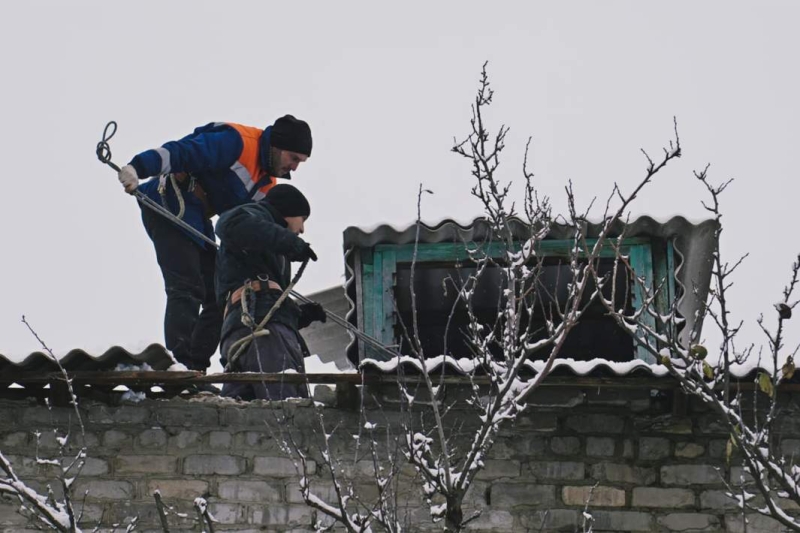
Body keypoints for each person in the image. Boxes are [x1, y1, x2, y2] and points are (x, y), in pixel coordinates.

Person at [116, 116, 313, 372]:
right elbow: (183, 152)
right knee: (187, 285)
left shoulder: (267, 187)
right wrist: (138, 167)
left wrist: (290, 309)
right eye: (293, 158)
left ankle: (195, 368)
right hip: (170, 204)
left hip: (199, 221)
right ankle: (176, 364)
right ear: (276, 146)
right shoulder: (237, 143)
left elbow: (255, 243)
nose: (294, 168)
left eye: (300, 162)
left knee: (218, 297)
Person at [215, 184, 325, 400]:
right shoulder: (253, 216)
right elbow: (228, 224)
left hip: (241, 329)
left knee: (238, 418)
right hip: (263, 333)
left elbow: (270, 300)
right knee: (287, 405)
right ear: (288, 211)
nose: (302, 229)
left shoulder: (265, 244)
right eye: (302, 219)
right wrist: (291, 243)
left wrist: (299, 315)